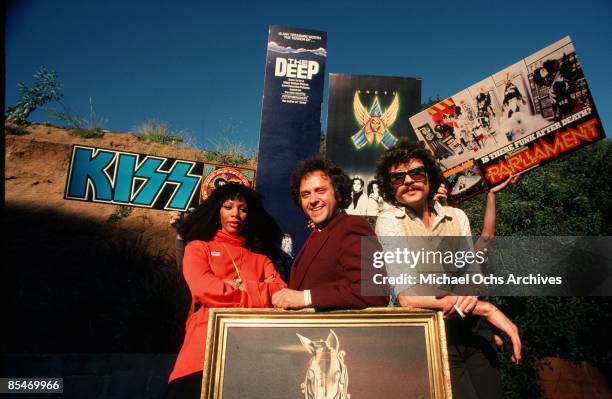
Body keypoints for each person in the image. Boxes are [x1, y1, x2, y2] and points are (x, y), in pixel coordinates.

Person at [374, 139, 521, 399]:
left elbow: (472, 276)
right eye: (397, 177)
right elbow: (408, 298)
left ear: (429, 177)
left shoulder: (457, 217)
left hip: (474, 332)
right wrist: (486, 308)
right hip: (432, 335)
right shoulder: (389, 222)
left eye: (416, 172)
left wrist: (475, 304)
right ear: (390, 186)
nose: (408, 180)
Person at [164, 183, 287, 399]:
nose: (235, 214)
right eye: (228, 207)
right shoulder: (198, 248)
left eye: (243, 208)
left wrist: (236, 286)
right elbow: (204, 289)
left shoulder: (262, 259)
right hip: (200, 354)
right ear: (217, 211)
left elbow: (281, 294)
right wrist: (259, 291)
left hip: (249, 357)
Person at [271, 156, 388, 310]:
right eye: (305, 194)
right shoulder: (319, 232)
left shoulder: (353, 226)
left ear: (338, 193)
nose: (313, 200)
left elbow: (375, 293)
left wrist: (306, 297)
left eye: (320, 190)